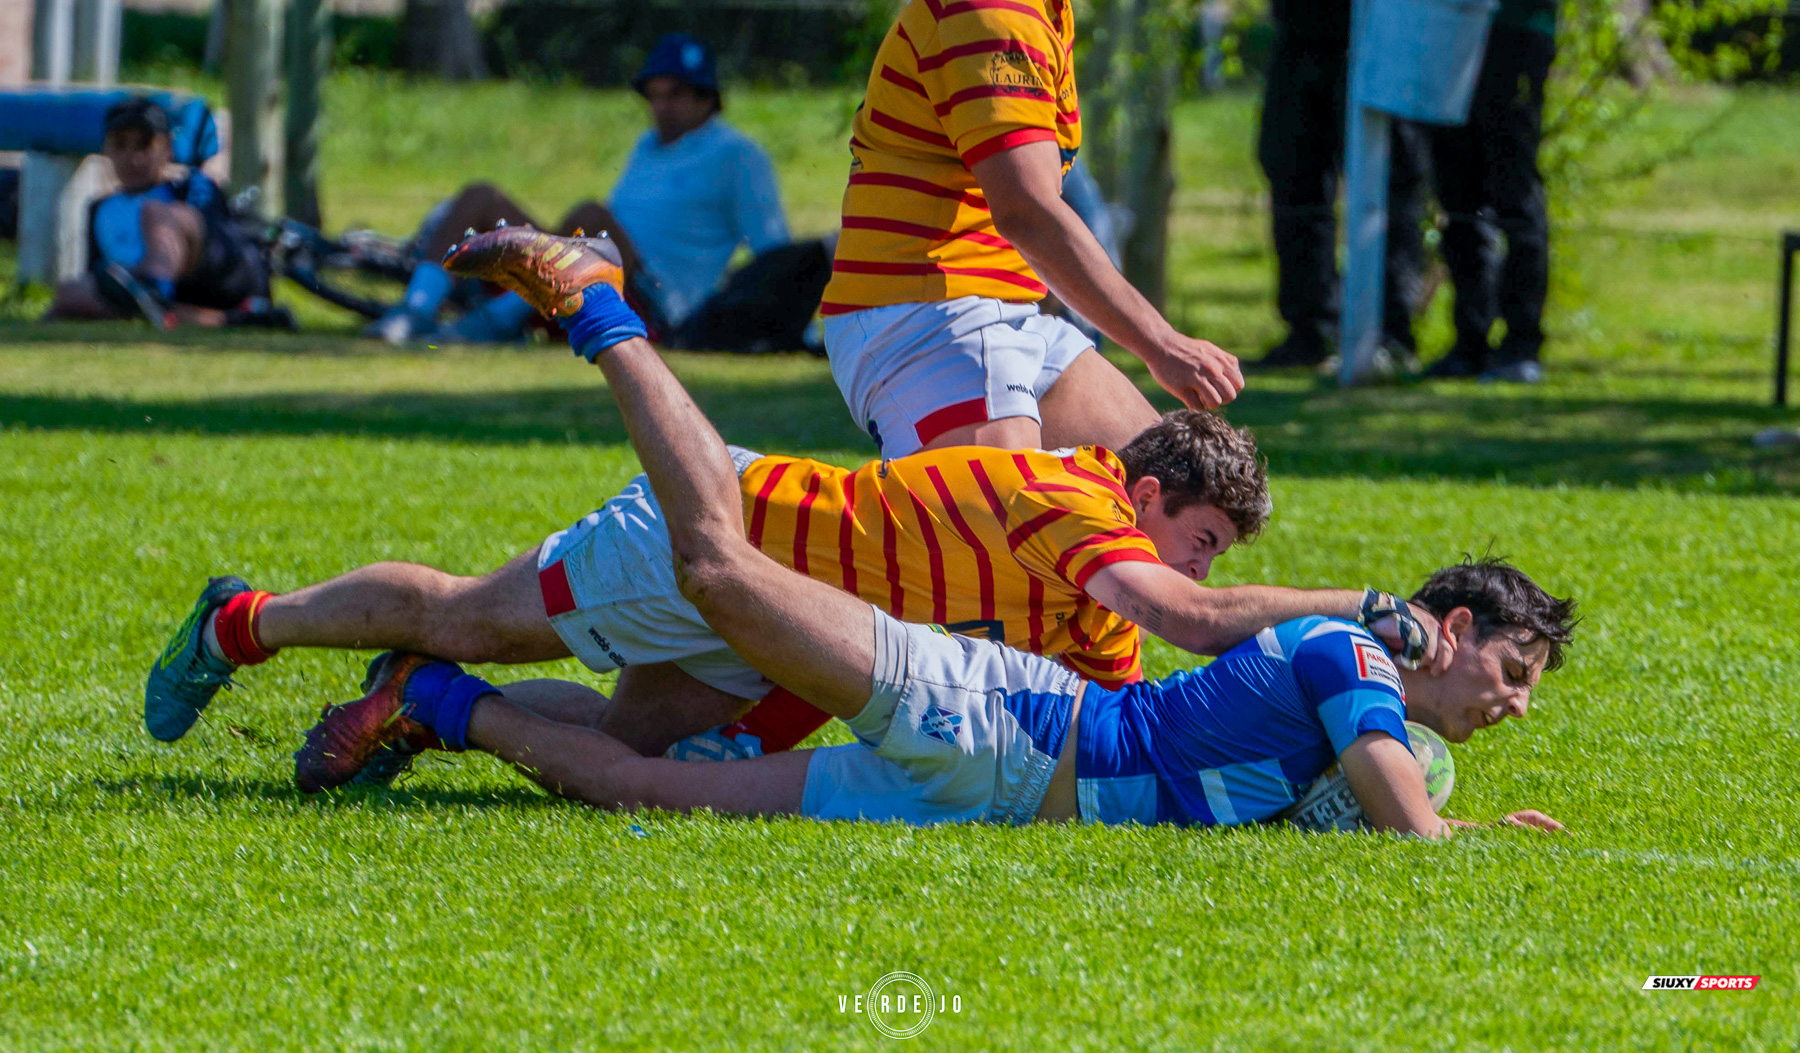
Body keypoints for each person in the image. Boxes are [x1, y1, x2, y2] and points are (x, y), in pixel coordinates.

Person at [288, 234, 1577, 836]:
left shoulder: (1122, 589)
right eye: (1197, 537)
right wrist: (1360, 605)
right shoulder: (1073, 506)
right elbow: (1193, 633)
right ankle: (601, 309)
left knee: (643, 763)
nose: (1200, 570)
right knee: (666, 571)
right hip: (767, 530)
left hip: (979, 750)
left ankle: (434, 705)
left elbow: (1161, 685)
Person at [818, 0, 1244, 463]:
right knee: (1005, 520)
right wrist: (1161, 344)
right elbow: (1026, 209)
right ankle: (740, 499)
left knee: (1173, 496)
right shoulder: (996, 11)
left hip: (991, 309)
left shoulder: (1041, 10)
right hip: (923, 314)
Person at [368, 34, 824, 351]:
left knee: (591, 216)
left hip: (662, 300)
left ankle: (491, 324)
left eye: (677, 95)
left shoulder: (740, 156)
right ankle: (414, 311)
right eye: (655, 94)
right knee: (480, 197)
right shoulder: (647, 146)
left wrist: (775, 322)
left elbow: (774, 256)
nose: (662, 107)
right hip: (600, 264)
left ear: (708, 97)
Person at [1254, 0, 1430, 372]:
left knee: (1388, 185)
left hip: (1375, 35)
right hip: (1298, 34)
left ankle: (1391, 333)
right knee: (1292, 176)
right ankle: (1311, 330)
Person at [44, 97, 290, 331]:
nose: (133, 157)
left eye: (144, 144)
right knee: (70, 292)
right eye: (121, 145)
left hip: (213, 277)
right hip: (163, 299)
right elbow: (99, 278)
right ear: (106, 149)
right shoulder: (98, 208)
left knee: (155, 213)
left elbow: (217, 240)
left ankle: (153, 288)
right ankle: (226, 319)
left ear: (167, 148)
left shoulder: (188, 187)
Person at [1420, 0, 1558, 383]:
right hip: (1451, 35)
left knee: (1515, 193)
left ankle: (1521, 345)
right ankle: (1470, 344)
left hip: (1516, 32)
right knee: (1458, 197)